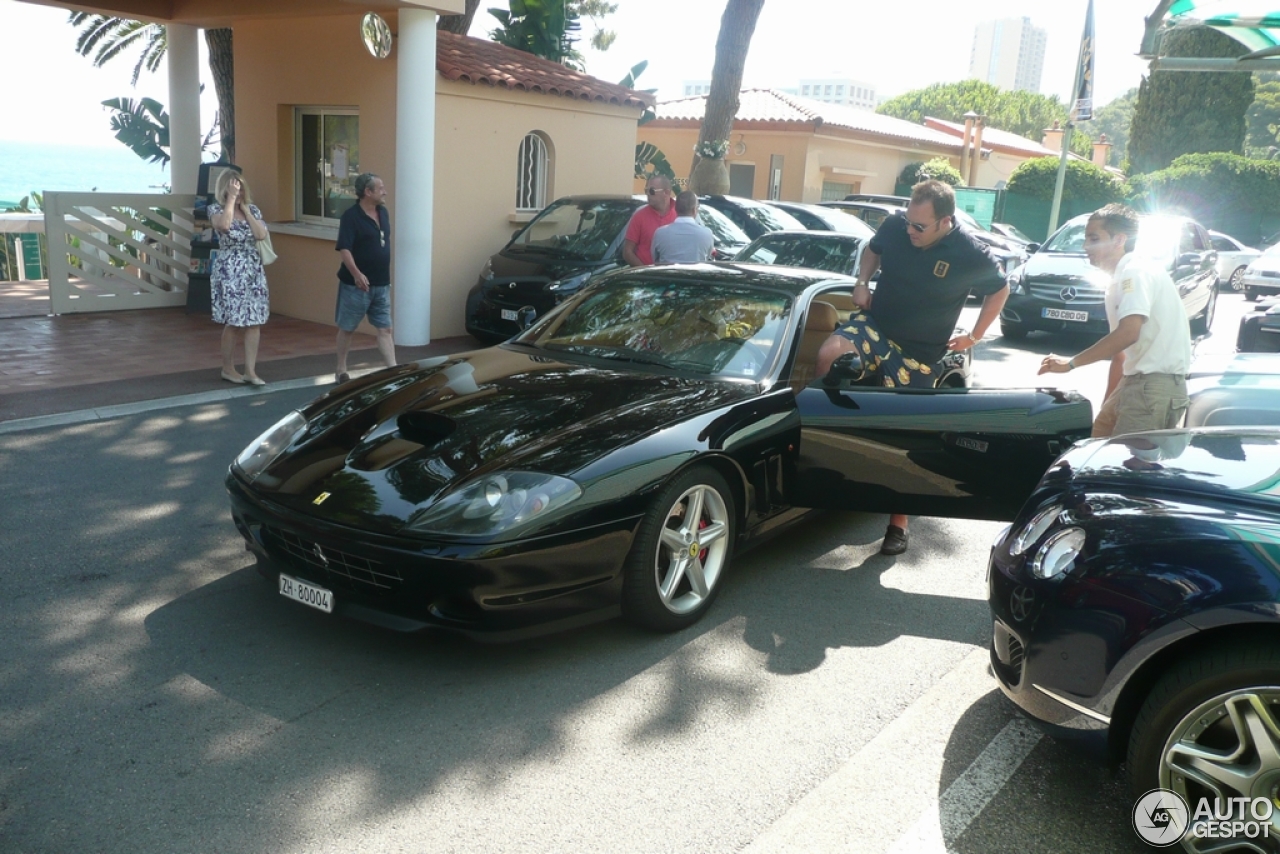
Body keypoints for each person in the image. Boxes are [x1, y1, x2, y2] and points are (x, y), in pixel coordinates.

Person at [815, 179, 1008, 555]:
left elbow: (999, 290)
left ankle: (898, 524)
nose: (910, 230)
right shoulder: (894, 226)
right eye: (908, 222)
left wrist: (976, 335)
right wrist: (862, 281)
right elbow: (873, 249)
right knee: (830, 351)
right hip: (877, 326)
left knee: (905, 437)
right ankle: (823, 453)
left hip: (920, 353)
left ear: (945, 222)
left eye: (919, 226)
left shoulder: (969, 251)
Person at [1039, 203, 1191, 437]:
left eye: (1094, 238)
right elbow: (1121, 354)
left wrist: (1070, 364)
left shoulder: (1134, 272)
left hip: (1152, 386)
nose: (1086, 246)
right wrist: (1109, 401)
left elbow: (1129, 333)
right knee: (1098, 443)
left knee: (1129, 467)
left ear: (1119, 240)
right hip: (1136, 383)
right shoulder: (1122, 276)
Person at [209, 169, 270, 386]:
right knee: (234, 322)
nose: (240, 191)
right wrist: (231, 202)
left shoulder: (252, 209)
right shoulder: (215, 209)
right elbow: (224, 225)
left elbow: (261, 234)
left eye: (242, 187)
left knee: (254, 322)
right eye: (235, 188)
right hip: (230, 271)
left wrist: (246, 210)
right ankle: (228, 368)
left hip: (253, 270)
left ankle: (251, 371)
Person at [334, 172, 396, 383]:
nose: (385, 191)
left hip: (382, 283)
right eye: (380, 188)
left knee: (385, 328)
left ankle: (393, 370)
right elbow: (344, 249)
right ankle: (341, 369)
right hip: (356, 285)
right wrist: (357, 274)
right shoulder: (351, 217)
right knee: (348, 328)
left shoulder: (383, 213)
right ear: (367, 192)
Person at [622, 175, 677, 266]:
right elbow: (627, 252)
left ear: (666, 193)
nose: (647, 194)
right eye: (646, 190)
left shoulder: (681, 214)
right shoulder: (639, 216)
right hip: (647, 277)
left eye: (651, 191)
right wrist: (645, 272)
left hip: (674, 276)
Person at [651, 191, 715, 264]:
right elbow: (707, 257)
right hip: (695, 275)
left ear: (675, 209)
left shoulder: (660, 233)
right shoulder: (707, 234)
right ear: (694, 210)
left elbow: (655, 260)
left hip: (667, 274)